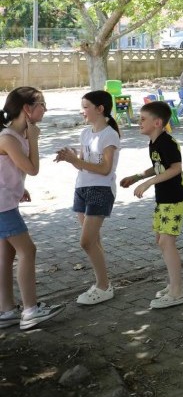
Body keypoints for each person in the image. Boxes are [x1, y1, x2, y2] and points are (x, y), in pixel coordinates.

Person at [0, 87, 65, 330]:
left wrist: (18, 187)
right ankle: (30, 311)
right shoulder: (8, 137)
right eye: (42, 104)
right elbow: (32, 169)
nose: (45, 109)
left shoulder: (16, 135)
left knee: (6, 255)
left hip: (6, 201)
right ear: (27, 109)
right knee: (28, 250)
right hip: (3, 206)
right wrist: (34, 139)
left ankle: (6, 310)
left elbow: (10, 168)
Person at [119, 101, 183, 309]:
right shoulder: (154, 142)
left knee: (166, 242)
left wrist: (148, 183)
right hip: (164, 198)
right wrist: (137, 176)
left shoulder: (167, 142)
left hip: (175, 197)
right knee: (161, 241)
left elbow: (175, 168)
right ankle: (176, 283)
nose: (138, 122)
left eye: (143, 119)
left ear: (157, 123)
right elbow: (158, 166)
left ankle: (177, 292)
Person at [55, 90, 121, 306]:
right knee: (94, 241)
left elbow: (104, 169)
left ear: (100, 109)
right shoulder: (85, 133)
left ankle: (103, 286)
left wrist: (76, 160)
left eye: (85, 107)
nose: (82, 111)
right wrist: (71, 157)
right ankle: (102, 284)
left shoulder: (110, 135)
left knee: (86, 242)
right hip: (81, 189)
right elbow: (83, 164)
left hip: (101, 190)